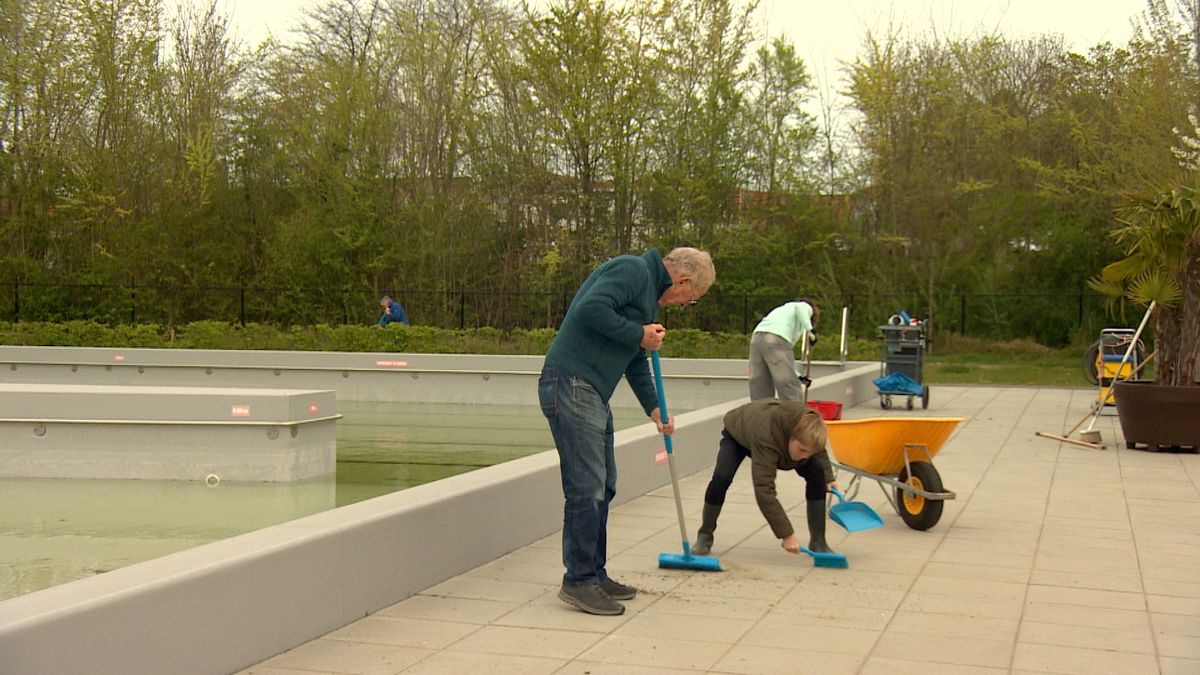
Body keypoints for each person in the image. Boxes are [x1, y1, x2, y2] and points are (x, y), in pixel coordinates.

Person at [538, 246, 716, 616]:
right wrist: (638, 332)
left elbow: (636, 361)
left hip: (590, 391)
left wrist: (655, 410)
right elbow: (590, 309)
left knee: (604, 485)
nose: (685, 304)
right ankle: (578, 580)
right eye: (691, 298)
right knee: (586, 486)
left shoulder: (647, 296)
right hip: (572, 382)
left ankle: (594, 573)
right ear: (682, 280)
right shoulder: (633, 271)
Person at [691, 399, 838, 559]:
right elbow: (764, 490)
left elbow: (817, 448)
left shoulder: (808, 425)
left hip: (768, 426)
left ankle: (819, 542)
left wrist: (828, 478)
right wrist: (786, 534)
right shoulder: (767, 438)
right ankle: (705, 535)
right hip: (740, 432)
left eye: (809, 452)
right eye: (802, 450)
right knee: (721, 478)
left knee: (817, 474)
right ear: (791, 436)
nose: (804, 457)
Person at [748, 299, 820, 400]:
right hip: (775, 337)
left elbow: (782, 362)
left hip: (756, 338)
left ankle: (760, 413)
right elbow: (801, 308)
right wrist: (811, 331)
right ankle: (795, 414)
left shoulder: (784, 314)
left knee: (760, 385)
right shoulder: (802, 306)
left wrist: (799, 377)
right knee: (788, 386)